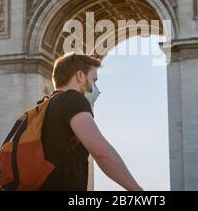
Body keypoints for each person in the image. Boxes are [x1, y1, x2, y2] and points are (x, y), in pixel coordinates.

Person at [40, 52, 143, 191]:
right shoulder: (73, 100)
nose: (96, 89)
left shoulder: (43, 107)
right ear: (80, 76)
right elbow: (102, 153)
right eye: (94, 80)